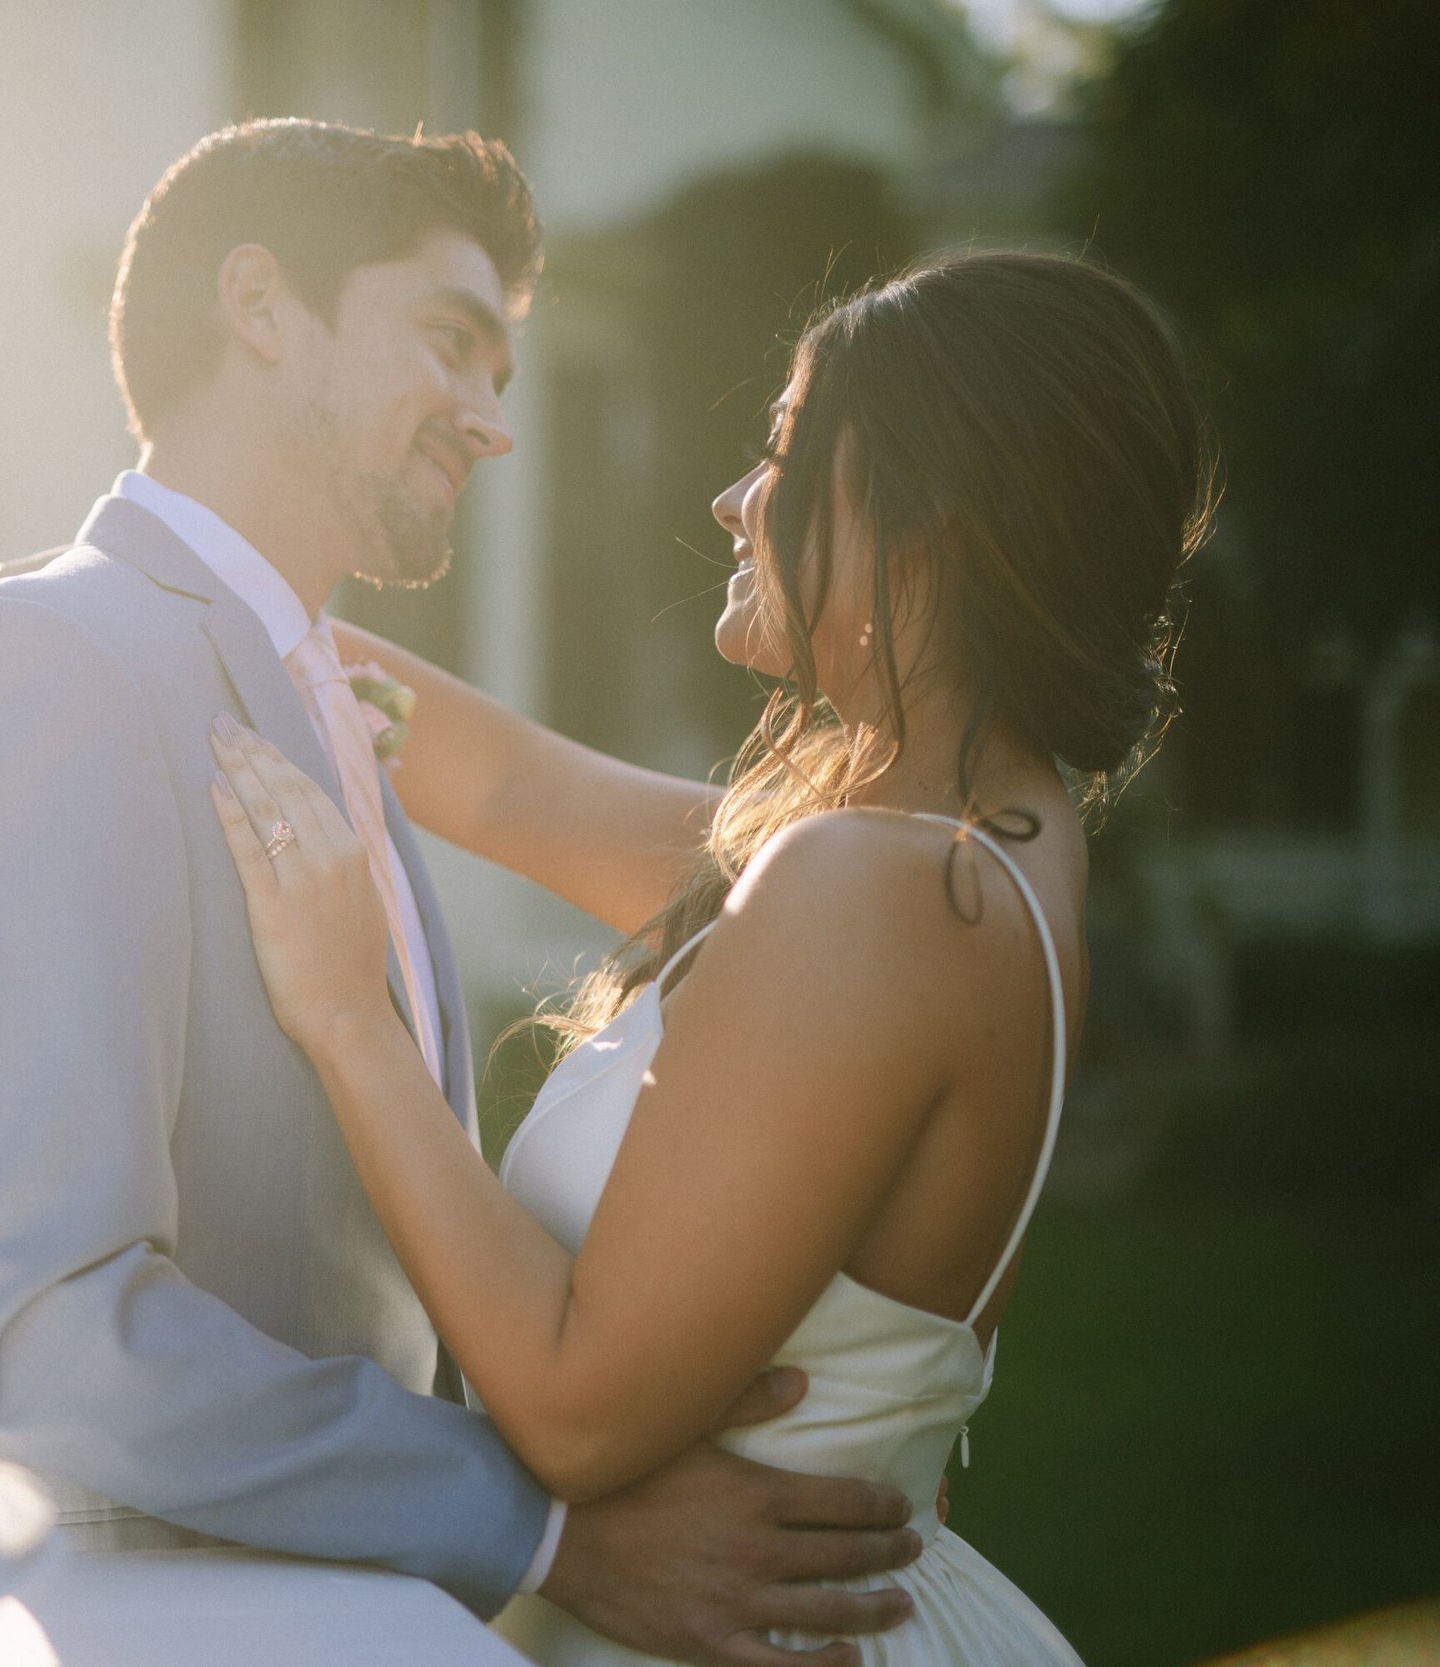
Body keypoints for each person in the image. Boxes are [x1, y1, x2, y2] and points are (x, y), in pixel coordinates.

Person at [0, 118, 925, 1660]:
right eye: (452, 344)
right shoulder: (56, 657)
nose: (492, 420)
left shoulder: (325, 698)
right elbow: (29, 1318)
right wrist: (542, 1524)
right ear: (259, 308)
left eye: (502, 370)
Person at [206, 249, 1212, 1663]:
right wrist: (169, 603)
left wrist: (346, 1010)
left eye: (788, 454)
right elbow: (508, 786)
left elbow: (570, 1403)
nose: (735, 501)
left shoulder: (878, 894)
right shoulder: (965, 847)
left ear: (932, 517)